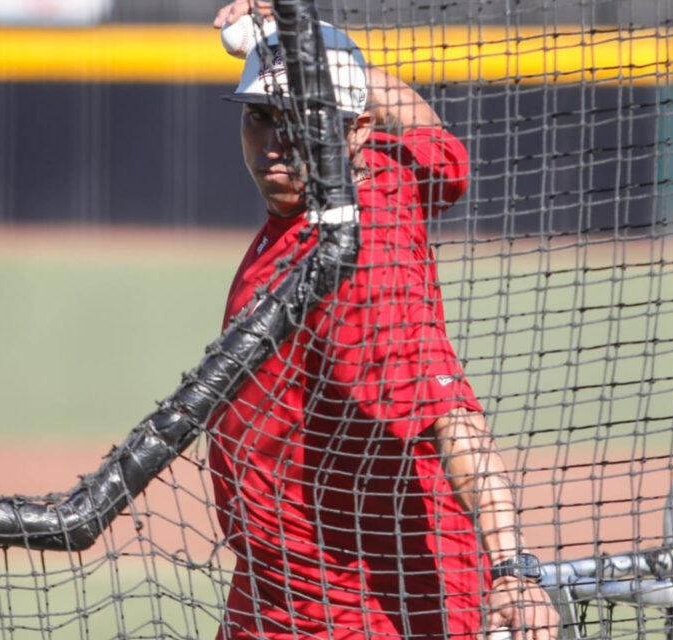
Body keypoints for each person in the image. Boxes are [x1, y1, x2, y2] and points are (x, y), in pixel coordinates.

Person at [209, 2, 559, 638]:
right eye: (260, 119)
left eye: (303, 121)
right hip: (276, 588)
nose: (275, 146)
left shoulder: (364, 266)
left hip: (354, 608)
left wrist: (513, 570)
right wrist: (313, 46)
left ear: (356, 131)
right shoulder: (388, 176)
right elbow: (439, 145)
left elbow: (453, 421)